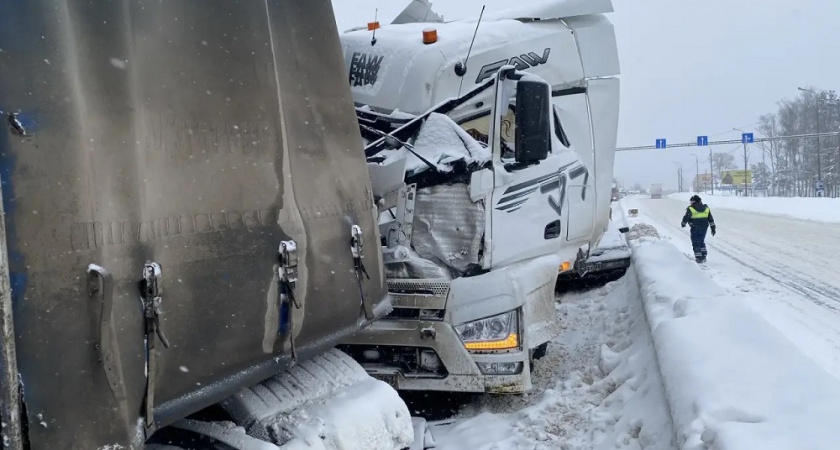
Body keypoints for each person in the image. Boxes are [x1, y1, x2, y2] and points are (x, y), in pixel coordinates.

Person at [681, 195, 716, 263]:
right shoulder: (706, 208)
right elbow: (710, 219)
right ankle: (704, 255)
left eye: (691, 202)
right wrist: (713, 228)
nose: (690, 203)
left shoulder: (691, 208)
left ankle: (699, 257)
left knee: (695, 242)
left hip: (695, 227)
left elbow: (686, 217)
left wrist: (683, 223)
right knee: (701, 241)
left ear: (693, 201)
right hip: (704, 227)